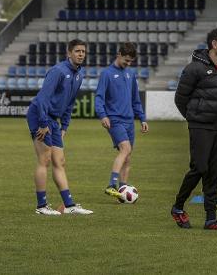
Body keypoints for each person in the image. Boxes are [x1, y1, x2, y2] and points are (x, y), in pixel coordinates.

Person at [171, 28, 217, 230]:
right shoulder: (194, 68)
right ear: (215, 45)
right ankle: (178, 207)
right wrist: (193, 117)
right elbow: (180, 98)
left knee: (214, 172)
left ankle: (211, 219)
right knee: (200, 168)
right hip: (200, 126)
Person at [26, 39, 93, 215]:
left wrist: (65, 126)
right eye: (77, 51)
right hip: (40, 115)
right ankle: (41, 207)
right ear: (68, 53)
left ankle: (69, 205)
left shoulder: (79, 74)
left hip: (54, 120)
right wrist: (43, 123)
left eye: (83, 52)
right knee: (45, 159)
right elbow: (42, 99)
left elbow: (69, 103)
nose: (81, 54)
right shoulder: (58, 71)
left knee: (60, 161)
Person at [95, 42, 149, 200]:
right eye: (126, 60)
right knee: (125, 149)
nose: (128, 63)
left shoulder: (130, 74)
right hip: (114, 119)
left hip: (129, 120)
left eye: (131, 61)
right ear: (118, 54)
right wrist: (102, 115)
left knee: (128, 155)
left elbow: (135, 100)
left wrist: (142, 119)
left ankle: (122, 189)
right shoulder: (107, 74)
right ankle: (111, 185)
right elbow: (99, 97)